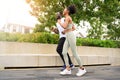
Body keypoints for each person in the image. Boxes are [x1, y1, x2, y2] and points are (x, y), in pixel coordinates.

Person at [58, 5, 87, 76]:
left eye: (64, 9)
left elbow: (64, 26)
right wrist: (66, 31)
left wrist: (59, 22)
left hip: (71, 36)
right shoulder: (67, 18)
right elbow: (73, 27)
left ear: (67, 11)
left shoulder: (68, 18)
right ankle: (68, 69)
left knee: (75, 53)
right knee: (64, 52)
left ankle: (82, 69)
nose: (63, 10)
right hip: (68, 36)